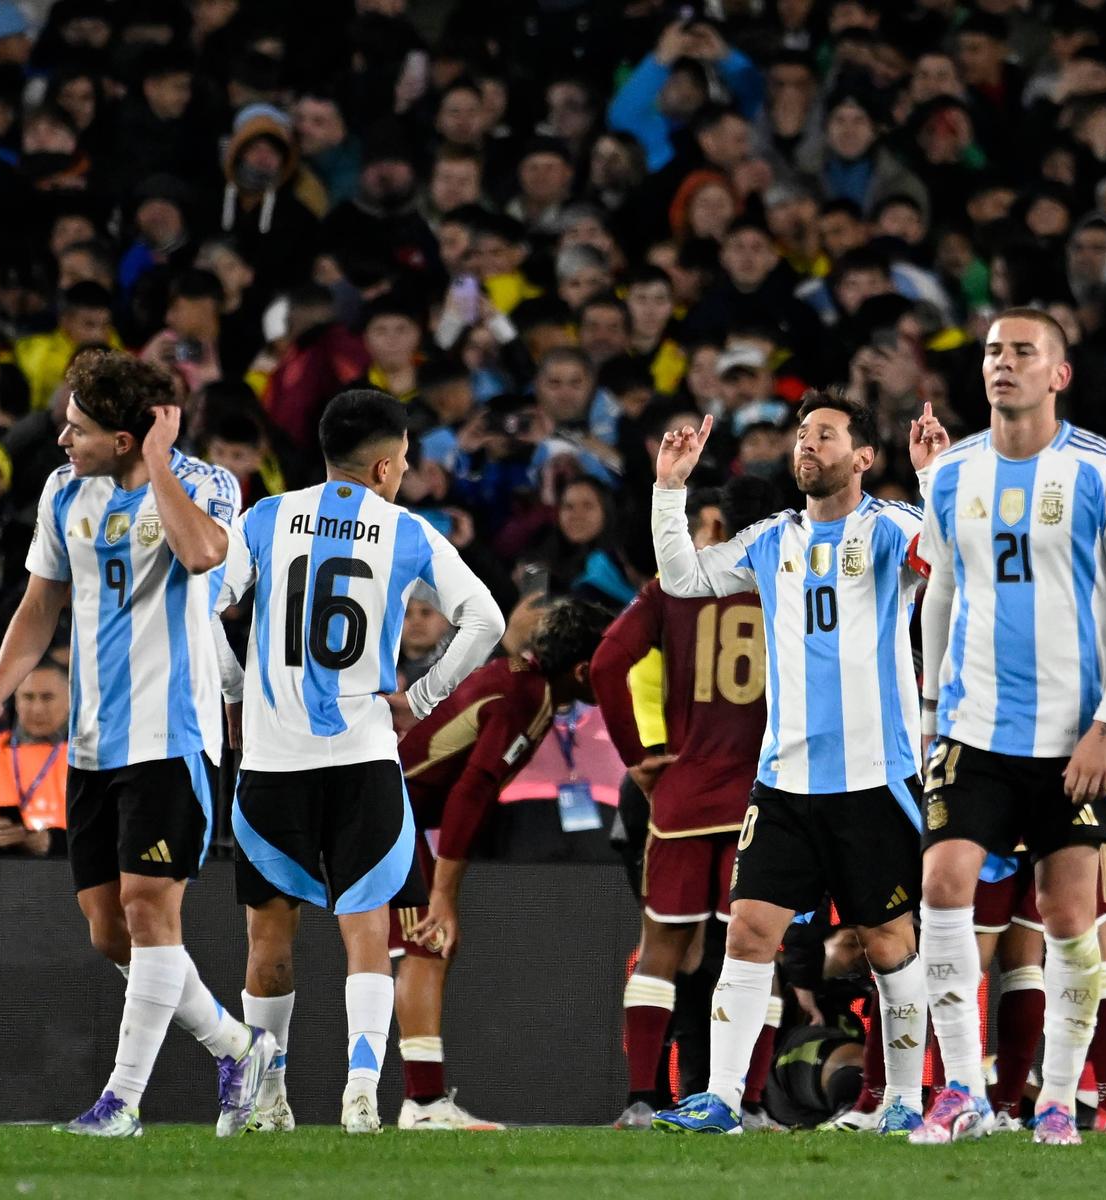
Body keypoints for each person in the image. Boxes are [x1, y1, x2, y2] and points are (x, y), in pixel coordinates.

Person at [0, 348, 274, 1138]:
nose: (62, 439)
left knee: (147, 910)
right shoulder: (63, 490)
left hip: (173, 736)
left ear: (127, 437)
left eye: (78, 428)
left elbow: (203, 555)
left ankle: (121, 1103)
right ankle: (239, 1048)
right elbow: (41, 604)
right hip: (92, 742)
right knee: (109, 931)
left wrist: (160, 462)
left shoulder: (207, 484)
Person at [647, 391, 950, 1137]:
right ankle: (722, 1099)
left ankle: (903, 1099)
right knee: (748, 932)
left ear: (864, 457)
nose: (806, 445)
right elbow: (683, 579)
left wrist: (935, 480)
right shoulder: (770, 538)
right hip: (783, 782)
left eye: (825, 435)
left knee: (888, 945)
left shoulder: (891, 527)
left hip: (873, 780)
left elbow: (950, 563)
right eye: (803, 435)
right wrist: (669, 489)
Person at [215, 388, 506, 1135]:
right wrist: (424, 696)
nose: (403, 474)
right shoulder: (406, 530)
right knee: (367, 930)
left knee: (268, 938)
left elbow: (202, 605)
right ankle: (361, 1093)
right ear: (382, 467)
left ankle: (269, 1098)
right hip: (363, 756)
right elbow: (487, 618)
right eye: (403, 462)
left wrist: (236, 693)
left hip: (273, 761)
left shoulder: (265, 517)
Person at [913, 308, 1106, 1147]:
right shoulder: (952, 473)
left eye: (1024, 352)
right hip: (974, 728)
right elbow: (942, 589)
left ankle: (1058, 1099)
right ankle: (960, 1089)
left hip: (1071, 739)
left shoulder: (1104, 468)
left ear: (1059, 374)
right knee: (942, 885)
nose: (1004, 363)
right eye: (994, 351)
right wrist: (929, 710)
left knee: (1069, 918)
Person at [590, 476, 778, 1131]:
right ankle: (752, 1104)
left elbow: (607, 664)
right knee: (761, 952)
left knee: (661, 951)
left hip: (684, 795)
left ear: (718, 525)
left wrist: (638, 756)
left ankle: (642, 1099)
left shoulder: (674, 586)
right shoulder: (790, 582)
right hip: (765, 796)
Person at [386, 598, 616, 1132]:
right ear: (583, 670)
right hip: (390, 810)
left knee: (417, 949)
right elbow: (472, 789)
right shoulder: (529, 698)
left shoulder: (520, 680)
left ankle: (416, 1098)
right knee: (426, 944)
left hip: (392, 807)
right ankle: (422, 1103)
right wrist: (444, 895)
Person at [0, 658, 69, 858]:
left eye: (47, 697)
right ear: (15, 701)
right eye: (28, 697)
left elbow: (111, 832)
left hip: (69, 871)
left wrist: (57, 843)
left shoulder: (91, 754)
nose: (37, 709)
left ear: (71, 699)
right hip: (1, 871)